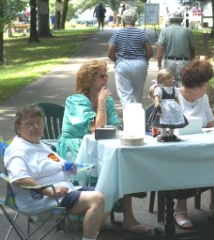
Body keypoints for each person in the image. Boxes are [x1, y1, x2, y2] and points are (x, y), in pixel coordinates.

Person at [56, 60, 151, 235]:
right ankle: (91, 217)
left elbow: (115, 126)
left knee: (124, 164)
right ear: (89, 78)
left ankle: (128, 220)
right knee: (115, 167)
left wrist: (106, 107)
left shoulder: (106, 101)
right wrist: (100, 103)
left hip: (102, 146)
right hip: (76, 150)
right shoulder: (75, 100)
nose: (106, 79)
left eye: (106, 75)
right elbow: (96, 128)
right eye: (101, 75)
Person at [4, 105, 109, 240]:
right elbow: (19, 179)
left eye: (38, 122)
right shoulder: (17, 150)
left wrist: (71, 167)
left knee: (108, 194)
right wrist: (47, 190)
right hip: (41, 199)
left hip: (63, 190)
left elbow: (58, 164)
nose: (35, 127)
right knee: (97, 199)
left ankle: (90, 231)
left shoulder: (39, 144)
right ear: (18, 128)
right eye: (29, 124)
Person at [171, 60, 214, 229]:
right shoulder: (174, 97)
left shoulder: (202, 98)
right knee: (185, 163)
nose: (207, 87)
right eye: (205, 84)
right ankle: (180, 208)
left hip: (203, 146)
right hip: (181, 148)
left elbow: (211, 124)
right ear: (196, 86)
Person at [108, 9, 153, 108]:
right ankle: (137, 118)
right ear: (135, 20)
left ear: (123, 20)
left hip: (123, 64)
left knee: (125, 95)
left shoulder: (117, 33)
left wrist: (117, 61)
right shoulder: (142, 33)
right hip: (140, 64)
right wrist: (144, 60)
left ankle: (129, 120)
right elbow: (150, 52)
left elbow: (110, 51)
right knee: (137, 95)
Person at [148, 68, 188, 142]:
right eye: (168, 78)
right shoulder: (160, 89)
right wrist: (157, 103)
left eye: (171, 78)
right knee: (164, 121)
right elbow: (157, 97)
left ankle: (171, 134)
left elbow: (176, 98)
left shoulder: (174, 89)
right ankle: (163, 134)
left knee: (172, 121)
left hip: (173, 108)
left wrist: (179, 105)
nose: (171, 79)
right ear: (161, 80)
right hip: (164, 108)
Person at [157, 10, 195, 86]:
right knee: (182, 84)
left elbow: (160, 47)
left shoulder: (164, 31)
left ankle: (170, 97)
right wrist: (191, 60)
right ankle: (180, 98)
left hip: (169, 61)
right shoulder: (188, 31)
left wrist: (159, 64)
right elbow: (192, 48)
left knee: (168, 84)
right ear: (181, 20)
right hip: (184, 62)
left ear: (170, 20)